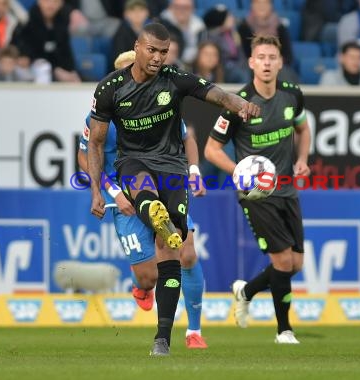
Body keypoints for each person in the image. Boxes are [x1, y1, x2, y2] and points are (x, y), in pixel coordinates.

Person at [88, 22, 260, 356]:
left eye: (163, 52)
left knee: (173, 251)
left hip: (172, 168)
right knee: (146, 195)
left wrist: (240, 105)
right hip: (133, 163)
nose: (157, 57)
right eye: (151, 50)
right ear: (137, 46)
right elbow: (94, 144)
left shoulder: (175, 79)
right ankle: (155, 214)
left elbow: (215, 94)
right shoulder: (109, 89)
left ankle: (162, 337)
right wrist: (98, 191)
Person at [79, 49, 208, 350]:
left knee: (186, 253)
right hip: (125, 197)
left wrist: (193, 170)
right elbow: (85, 154)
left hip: (164, 185)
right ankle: (141, 287)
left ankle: (193, 330)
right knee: (149, 276)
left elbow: (186, 137)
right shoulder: (102, 113)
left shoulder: (162, 105)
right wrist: (110, 191)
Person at [204, 35, 311, 344]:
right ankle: (284, 331)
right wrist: (240, 171)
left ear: (280, 63)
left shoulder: (292, 95)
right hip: (256, 194)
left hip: (287, 188)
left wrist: (302, 159)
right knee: (282, 262)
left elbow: (303, 129)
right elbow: (212, 149)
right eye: (260, 57)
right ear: (250, 62)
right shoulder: (238, 104)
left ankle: (246, 291)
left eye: (271, 57)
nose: (266, 62)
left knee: (296, 264)